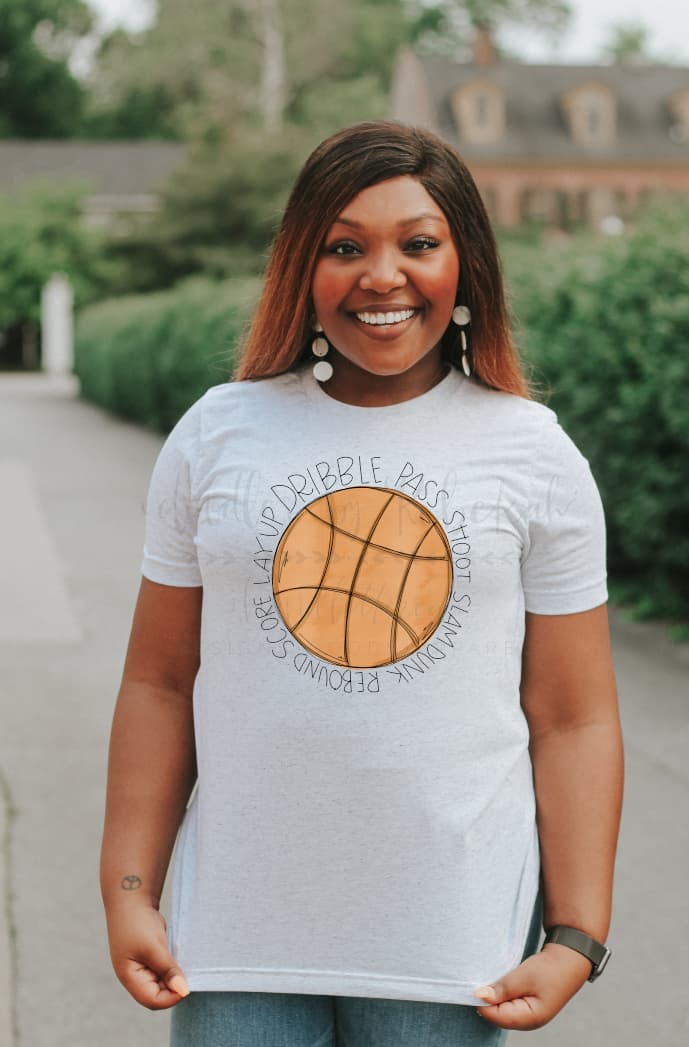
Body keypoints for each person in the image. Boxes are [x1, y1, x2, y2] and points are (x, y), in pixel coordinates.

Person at [100, 120, 624, 1047]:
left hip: (451, 952)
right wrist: (129, 886)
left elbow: (572, 715)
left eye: (417, 244)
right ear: (303, 266)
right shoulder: (219, 434)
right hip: (236, 944)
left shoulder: (529, 451)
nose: (382, 275)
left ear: (464, 268)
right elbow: (159, 681)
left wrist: (577, 932)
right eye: (345, 246)